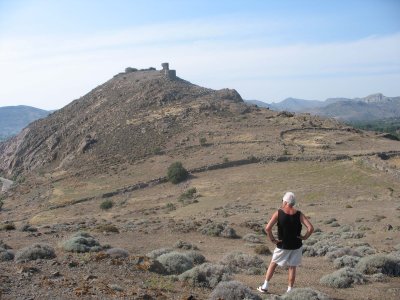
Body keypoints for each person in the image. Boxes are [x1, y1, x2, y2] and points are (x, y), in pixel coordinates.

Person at [257, 192, 314, 294]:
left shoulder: (278, 212)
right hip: (296, 245)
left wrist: (273, 240)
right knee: (292, 267)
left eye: (283, 201)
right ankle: (289, 291)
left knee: (273, 263)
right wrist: (304, 237)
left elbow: (267, 228)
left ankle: (265, 286)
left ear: (286, 201)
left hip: (283, 245)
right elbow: (310, 228)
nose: (282, 202)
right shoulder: (299, 214)